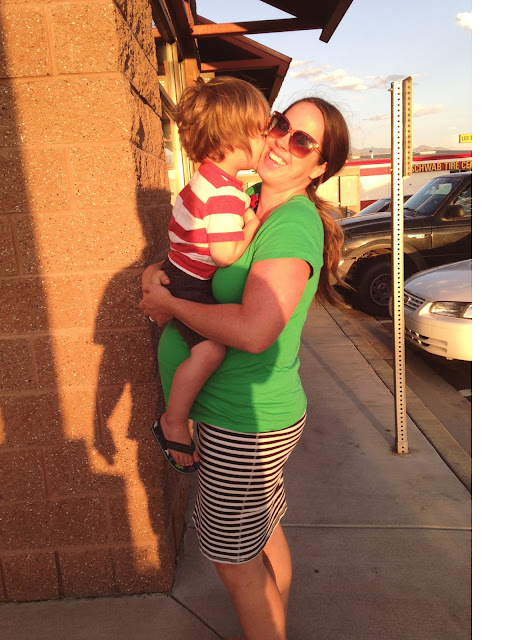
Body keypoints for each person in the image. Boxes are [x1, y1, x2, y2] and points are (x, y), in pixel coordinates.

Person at [140, 96, 350, 640]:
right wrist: (154, 273)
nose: (281, 140)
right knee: (260, 532)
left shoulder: (292, 225)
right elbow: (194, 256)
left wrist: (170, 306)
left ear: (319, 167)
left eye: (302, 141)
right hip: (235, 415)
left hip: (244, 423)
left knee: (233, 559)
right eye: (280, 124)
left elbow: (255, 331)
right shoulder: (247, 197)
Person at [151, 76, 269, 474]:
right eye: (261, 131)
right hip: (190, 282)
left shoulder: (208, 177)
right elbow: (223, 254)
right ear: (235, 136)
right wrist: (252, 227)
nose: (267, 139)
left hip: (179, 270)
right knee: (211, 351)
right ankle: (174, 419)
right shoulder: (224, 192)